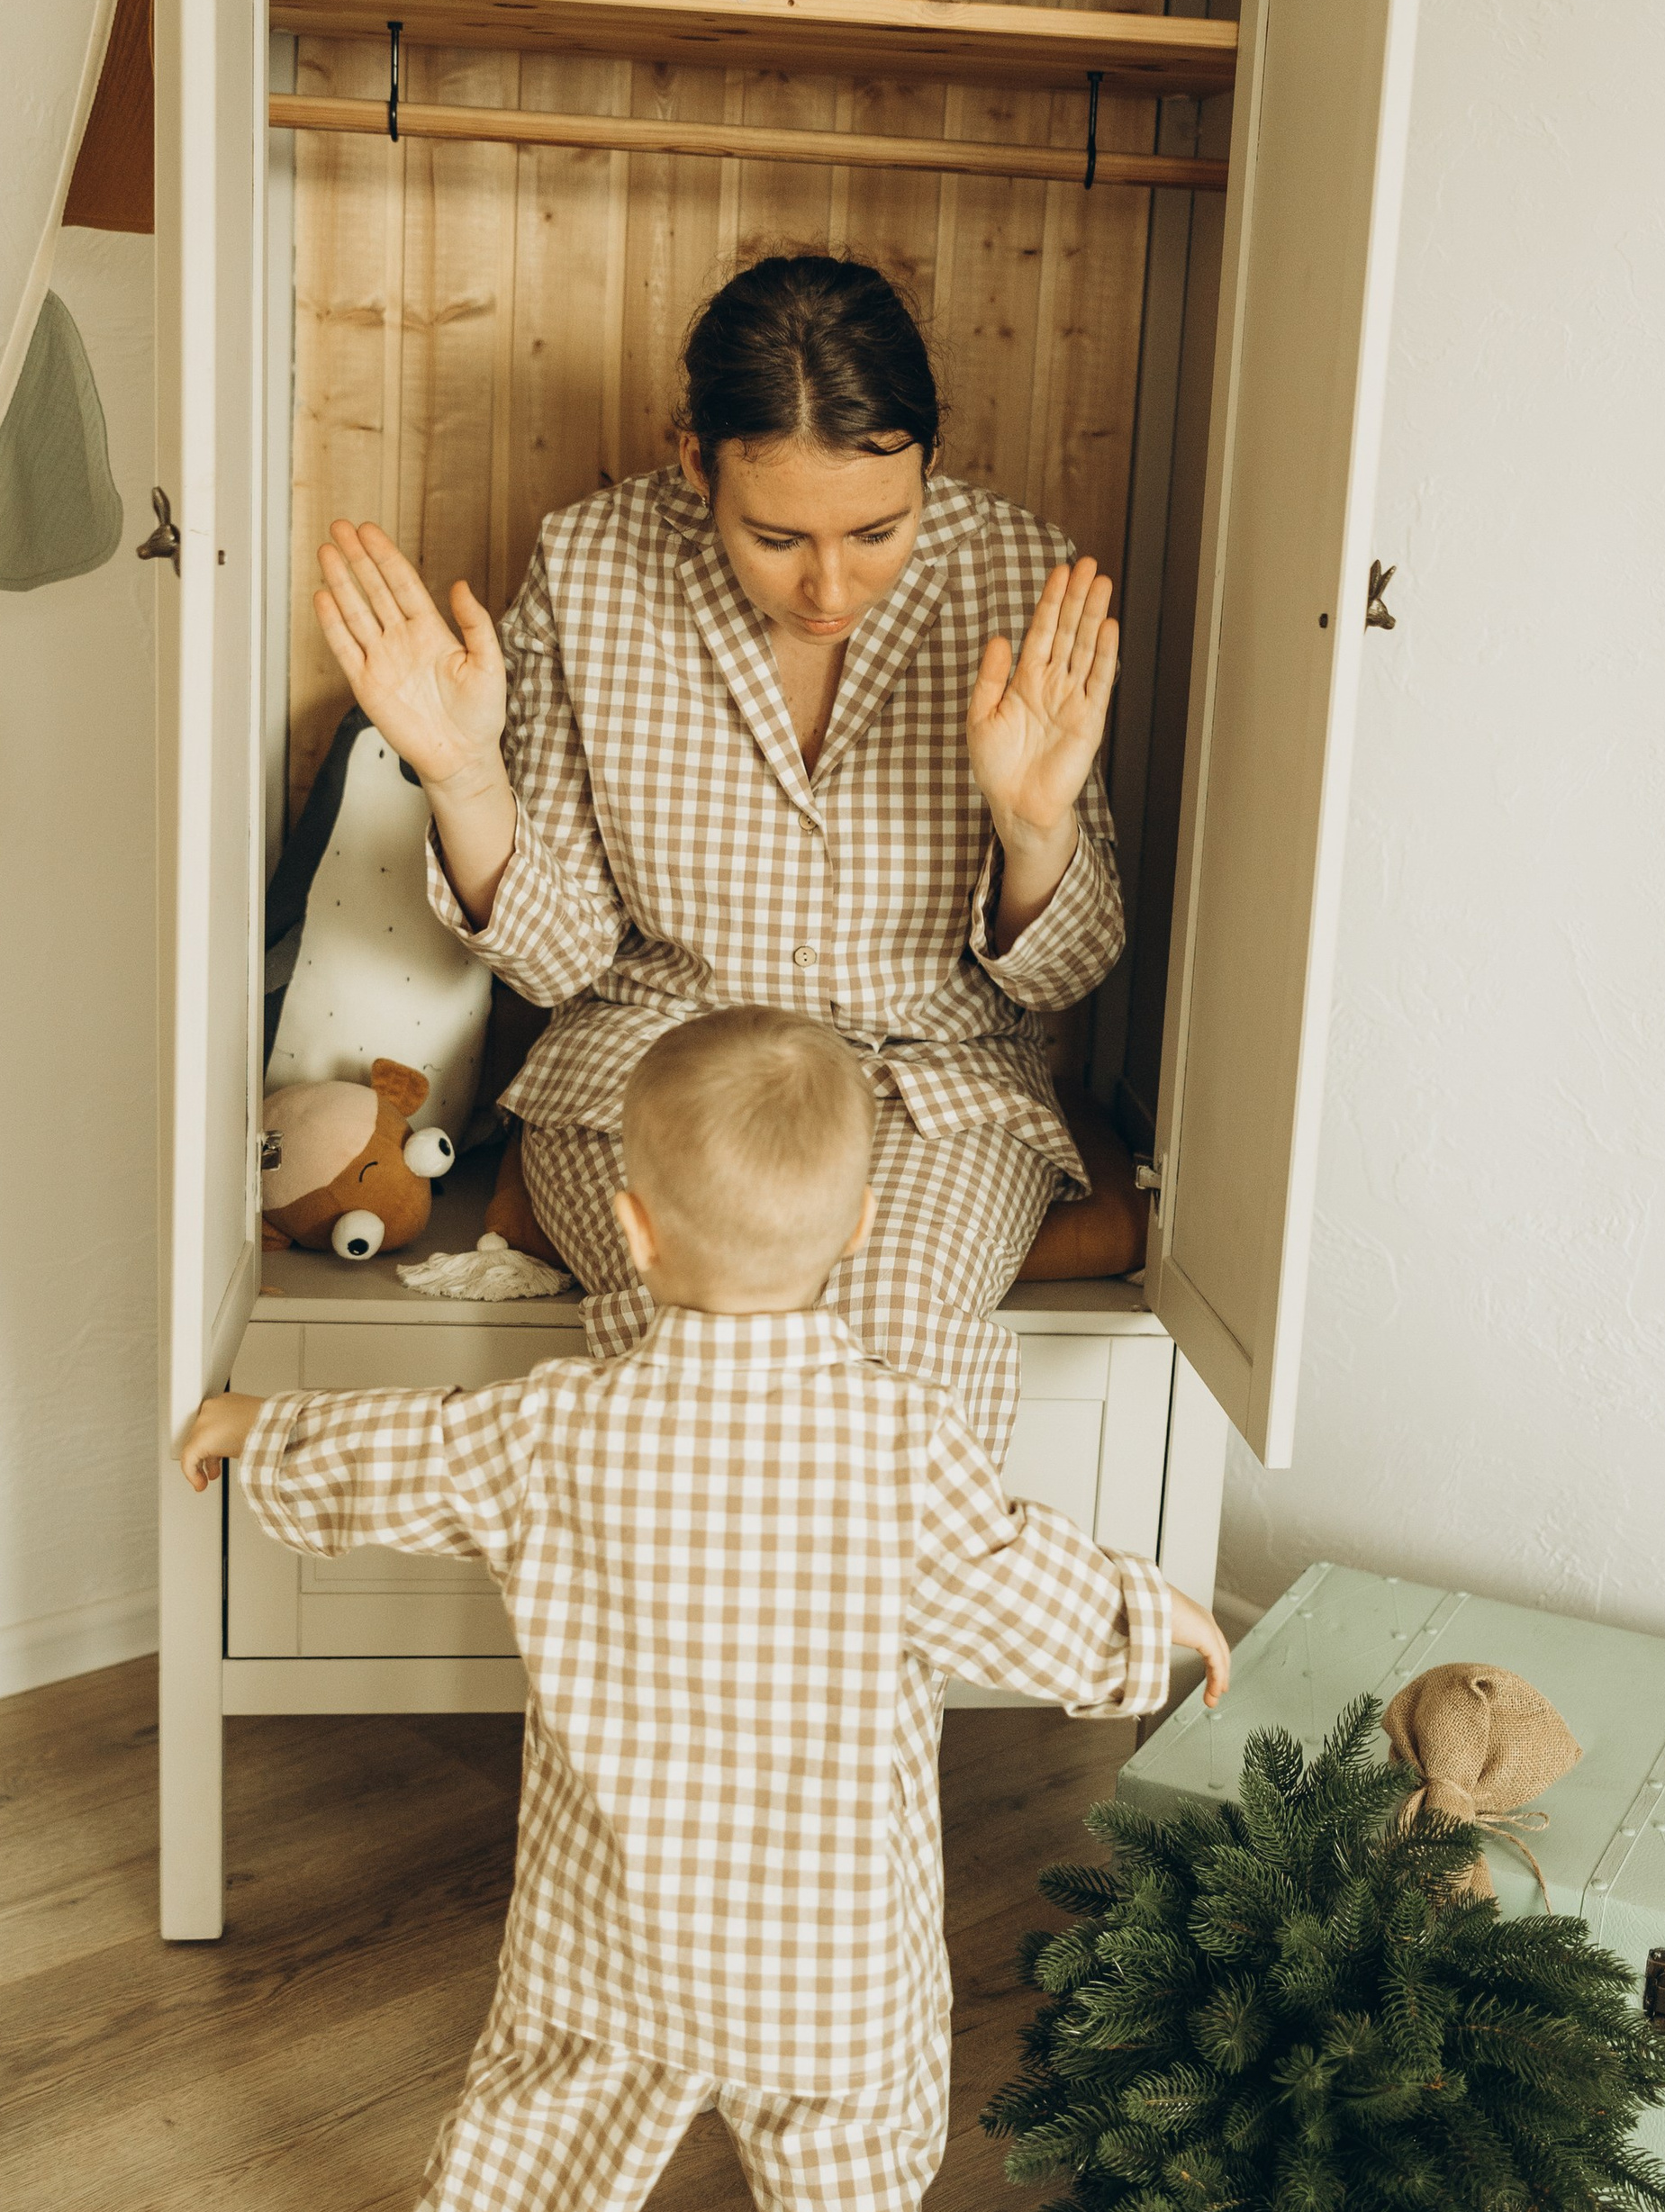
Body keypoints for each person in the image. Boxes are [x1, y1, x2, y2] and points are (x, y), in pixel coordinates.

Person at [182, 1008, 1229, 2212]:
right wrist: (1144, 1615)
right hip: (829, 1957)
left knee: (547, 2117)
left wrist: (260, 1428)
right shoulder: (901, 1447)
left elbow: (400, 1448)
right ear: (860, 1230)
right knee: (846, 2181)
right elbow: (1018, 1587)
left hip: (612, 1931)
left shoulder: (557, 1428)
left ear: (630, 1228)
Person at [310, 253, 1125, 1462]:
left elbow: (1063, 975)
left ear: (929, 462)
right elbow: (561, 960)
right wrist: (465, 777)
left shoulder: (1017, 572)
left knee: (900, 1356)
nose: (831, 585)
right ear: (697, 464)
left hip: (929, 1090)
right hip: (651, 1070)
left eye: (880, 530)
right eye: (777, 536)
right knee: (704, 1347)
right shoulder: (591, 566)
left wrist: (1035, 828)